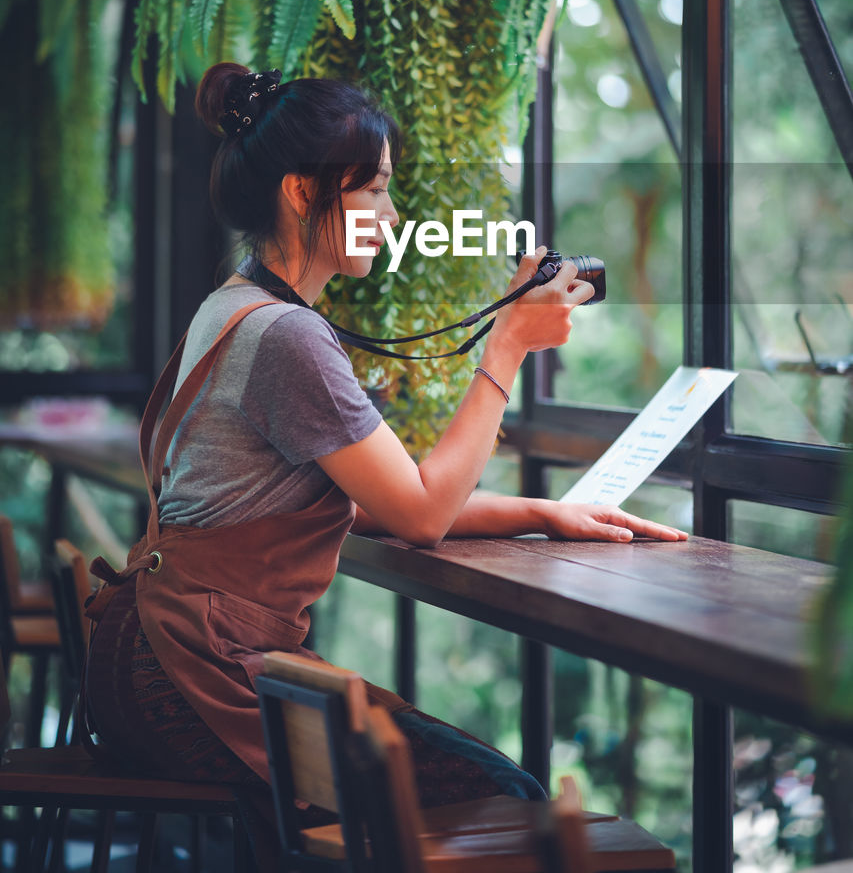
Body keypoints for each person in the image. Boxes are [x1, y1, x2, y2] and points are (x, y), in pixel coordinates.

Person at [84, 63, 687, 869]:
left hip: (145, 661)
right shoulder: (289, 338)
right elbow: (420, 515)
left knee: (477, 784)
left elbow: (374, 500)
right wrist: (506, 341)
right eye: (372, 191)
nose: (390, 214)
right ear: (303, 194)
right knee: (507, 799)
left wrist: (544, 513)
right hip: (195, 678)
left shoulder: (233, 306)